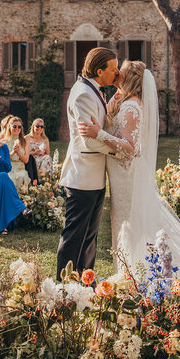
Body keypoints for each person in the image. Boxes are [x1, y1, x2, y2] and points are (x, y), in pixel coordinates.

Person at [79, 60, 180, 277]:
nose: (117, 72)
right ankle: (130, 271)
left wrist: (98, 133)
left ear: (131, 78)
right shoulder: (122, 99)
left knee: (131, 222)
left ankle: (137, 272)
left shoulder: (131, 106)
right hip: (119, 173)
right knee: (125, 223)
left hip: (127, 174)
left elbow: (131, 148)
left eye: (122, 70)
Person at [56, 47, 121, 281]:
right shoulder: (83, 94)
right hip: (82, 176)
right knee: (75, 236)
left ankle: (85, 282)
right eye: (113, 69)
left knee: (89, 238)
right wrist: (118, 151)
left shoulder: (94, 90)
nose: (117, 73)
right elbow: (89, 141)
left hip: (93, 176)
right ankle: (63, 285)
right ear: (99, 70)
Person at [3, 117, 31, 193]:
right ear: (9, 127)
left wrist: (18, 152)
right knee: (10, 179)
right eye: (14, 126)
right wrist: (13, 152)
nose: (17, 128)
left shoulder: (25, 141)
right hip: (9, 168)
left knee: (22, 177)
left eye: (19, 127)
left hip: (20, 168)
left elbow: (26, 160)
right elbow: (4, 160)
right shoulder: (4, 141)